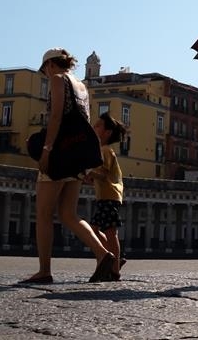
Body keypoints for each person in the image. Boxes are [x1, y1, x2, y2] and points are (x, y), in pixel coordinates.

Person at [20, 48, 116, 284]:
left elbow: (56, 118)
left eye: (44, 70)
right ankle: (103, 254)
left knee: (43, 213)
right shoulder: (81, 85)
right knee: (68, 213)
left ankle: (44, 270)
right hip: (76, 156)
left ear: (50, 65)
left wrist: (47, 150)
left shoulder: (57, 79)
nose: (45, 75)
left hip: (60, 155)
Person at [84, 112, 127, 281]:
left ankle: (114, 269)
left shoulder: (105, 150)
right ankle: (112, 259)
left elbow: (103, 174)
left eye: (98, 125)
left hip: (109, 196)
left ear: (107, 132)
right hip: (105, 197)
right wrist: (88, 177)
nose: (94, 127)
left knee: (109, 233)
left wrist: (87, 171)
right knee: (96, 232)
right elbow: (98, 176)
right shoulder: (101, 150)